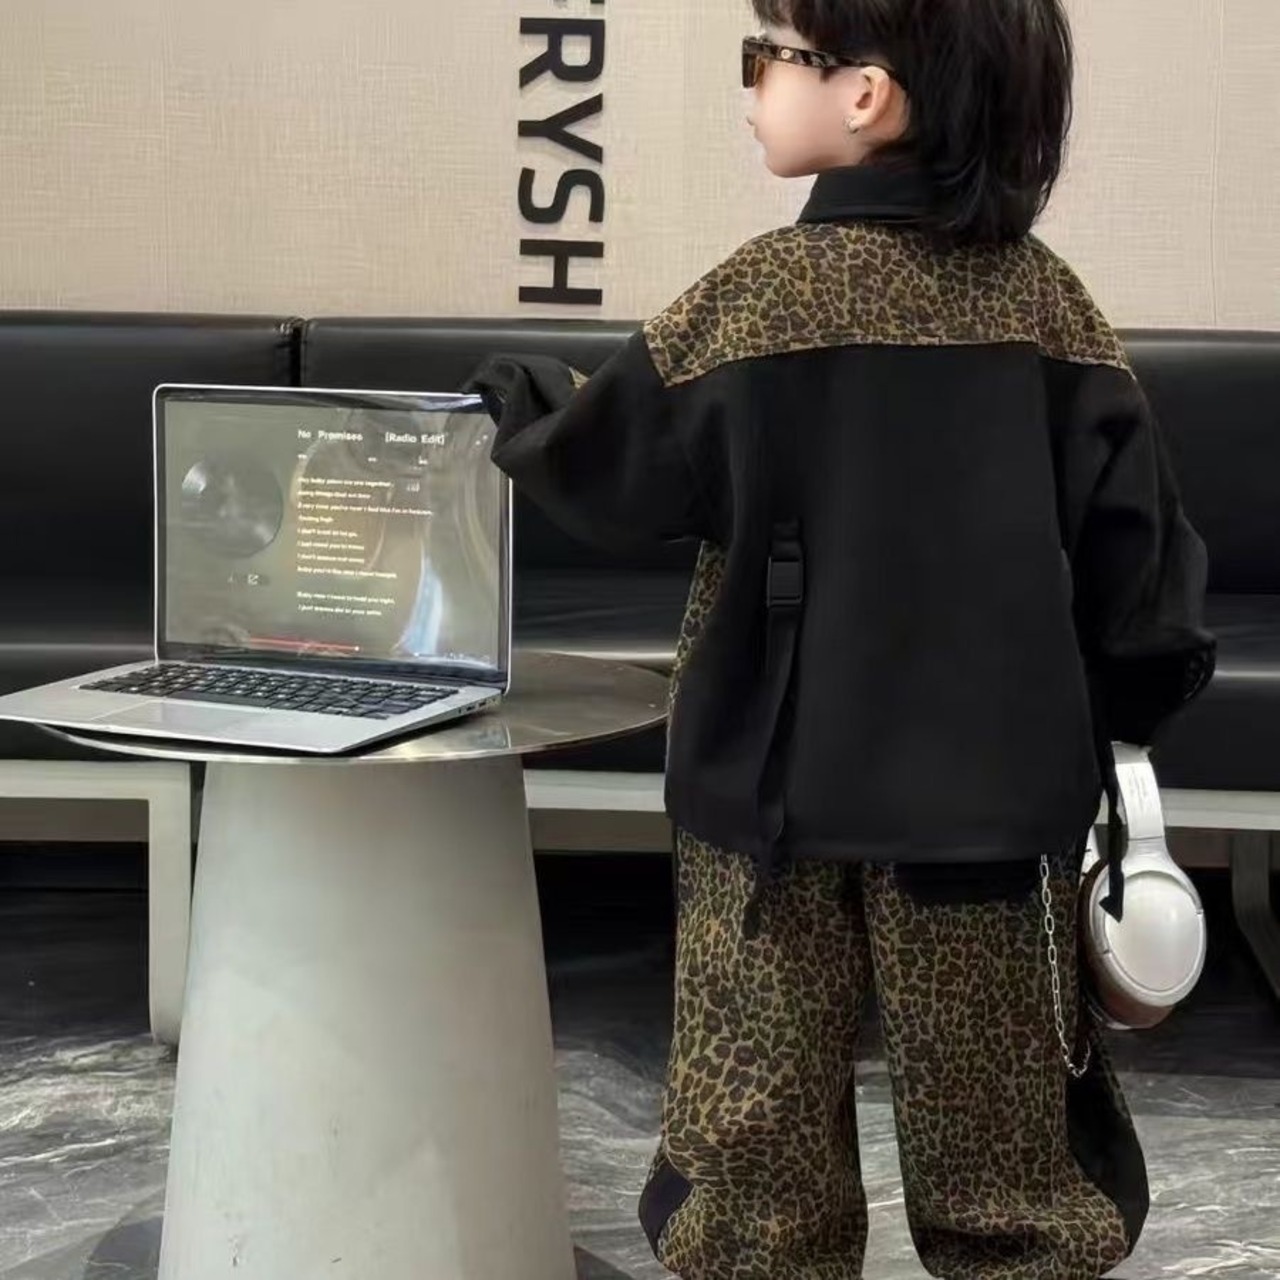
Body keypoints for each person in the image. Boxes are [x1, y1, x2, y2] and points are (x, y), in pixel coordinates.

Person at [469, 1, 1215, 1276]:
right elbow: (1138, 567)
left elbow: (616, 470)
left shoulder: (759, 297)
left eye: (764, 55)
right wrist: (1117, 716)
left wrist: (522, 402)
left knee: (753, 1169)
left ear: (863, 94)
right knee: (1006, 1159)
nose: (750, 84)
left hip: (772, 800)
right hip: (987, 810)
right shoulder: (1045, 307)